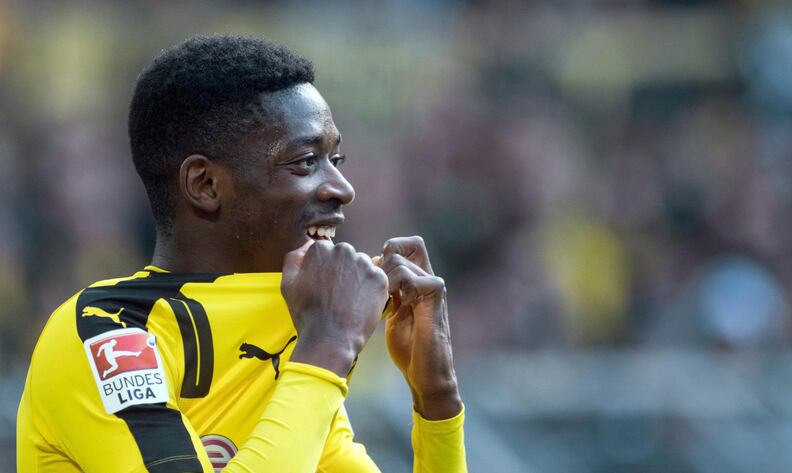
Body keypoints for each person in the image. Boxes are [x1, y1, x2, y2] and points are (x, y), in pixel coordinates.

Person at [17, 35, 467, 472]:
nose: (343, 189)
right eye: (306, 161)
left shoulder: (285, 339)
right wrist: (329, 346)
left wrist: (437, 399)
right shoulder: (107, 331)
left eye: (337, 160)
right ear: (206, 185)